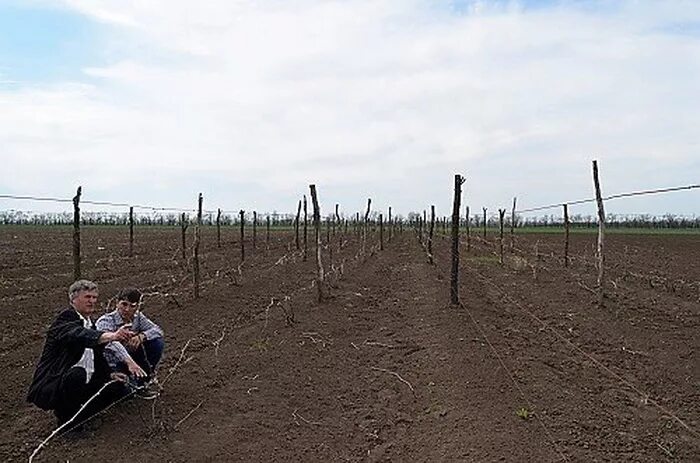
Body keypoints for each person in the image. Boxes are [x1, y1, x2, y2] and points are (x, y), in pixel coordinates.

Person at [27, 280, 134, 426]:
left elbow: (97, 356)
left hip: (87, 378)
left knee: (116, 386)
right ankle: (66, 422)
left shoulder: (90, 323)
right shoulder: (65, 319)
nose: (92, 301)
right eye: (87, 297)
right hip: (58, 381)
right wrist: (112, 336)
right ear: (73, 299)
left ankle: (83, 416)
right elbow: (79, 335)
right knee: (77, 374)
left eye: (94, 297)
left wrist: (109, 374)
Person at [96, 287, 164, 389]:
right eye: (124, 304)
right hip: (111, 362)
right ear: (117, 303)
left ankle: (145, 379)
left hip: (132, 356)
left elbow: (158, 331)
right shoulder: (105, 321)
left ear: (137, 307)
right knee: (121, 389)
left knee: (157, 342)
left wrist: (142, 336)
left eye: (132, 306)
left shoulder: (138, 318)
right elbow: (110, 343)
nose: (127, 309)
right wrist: (129, 361)